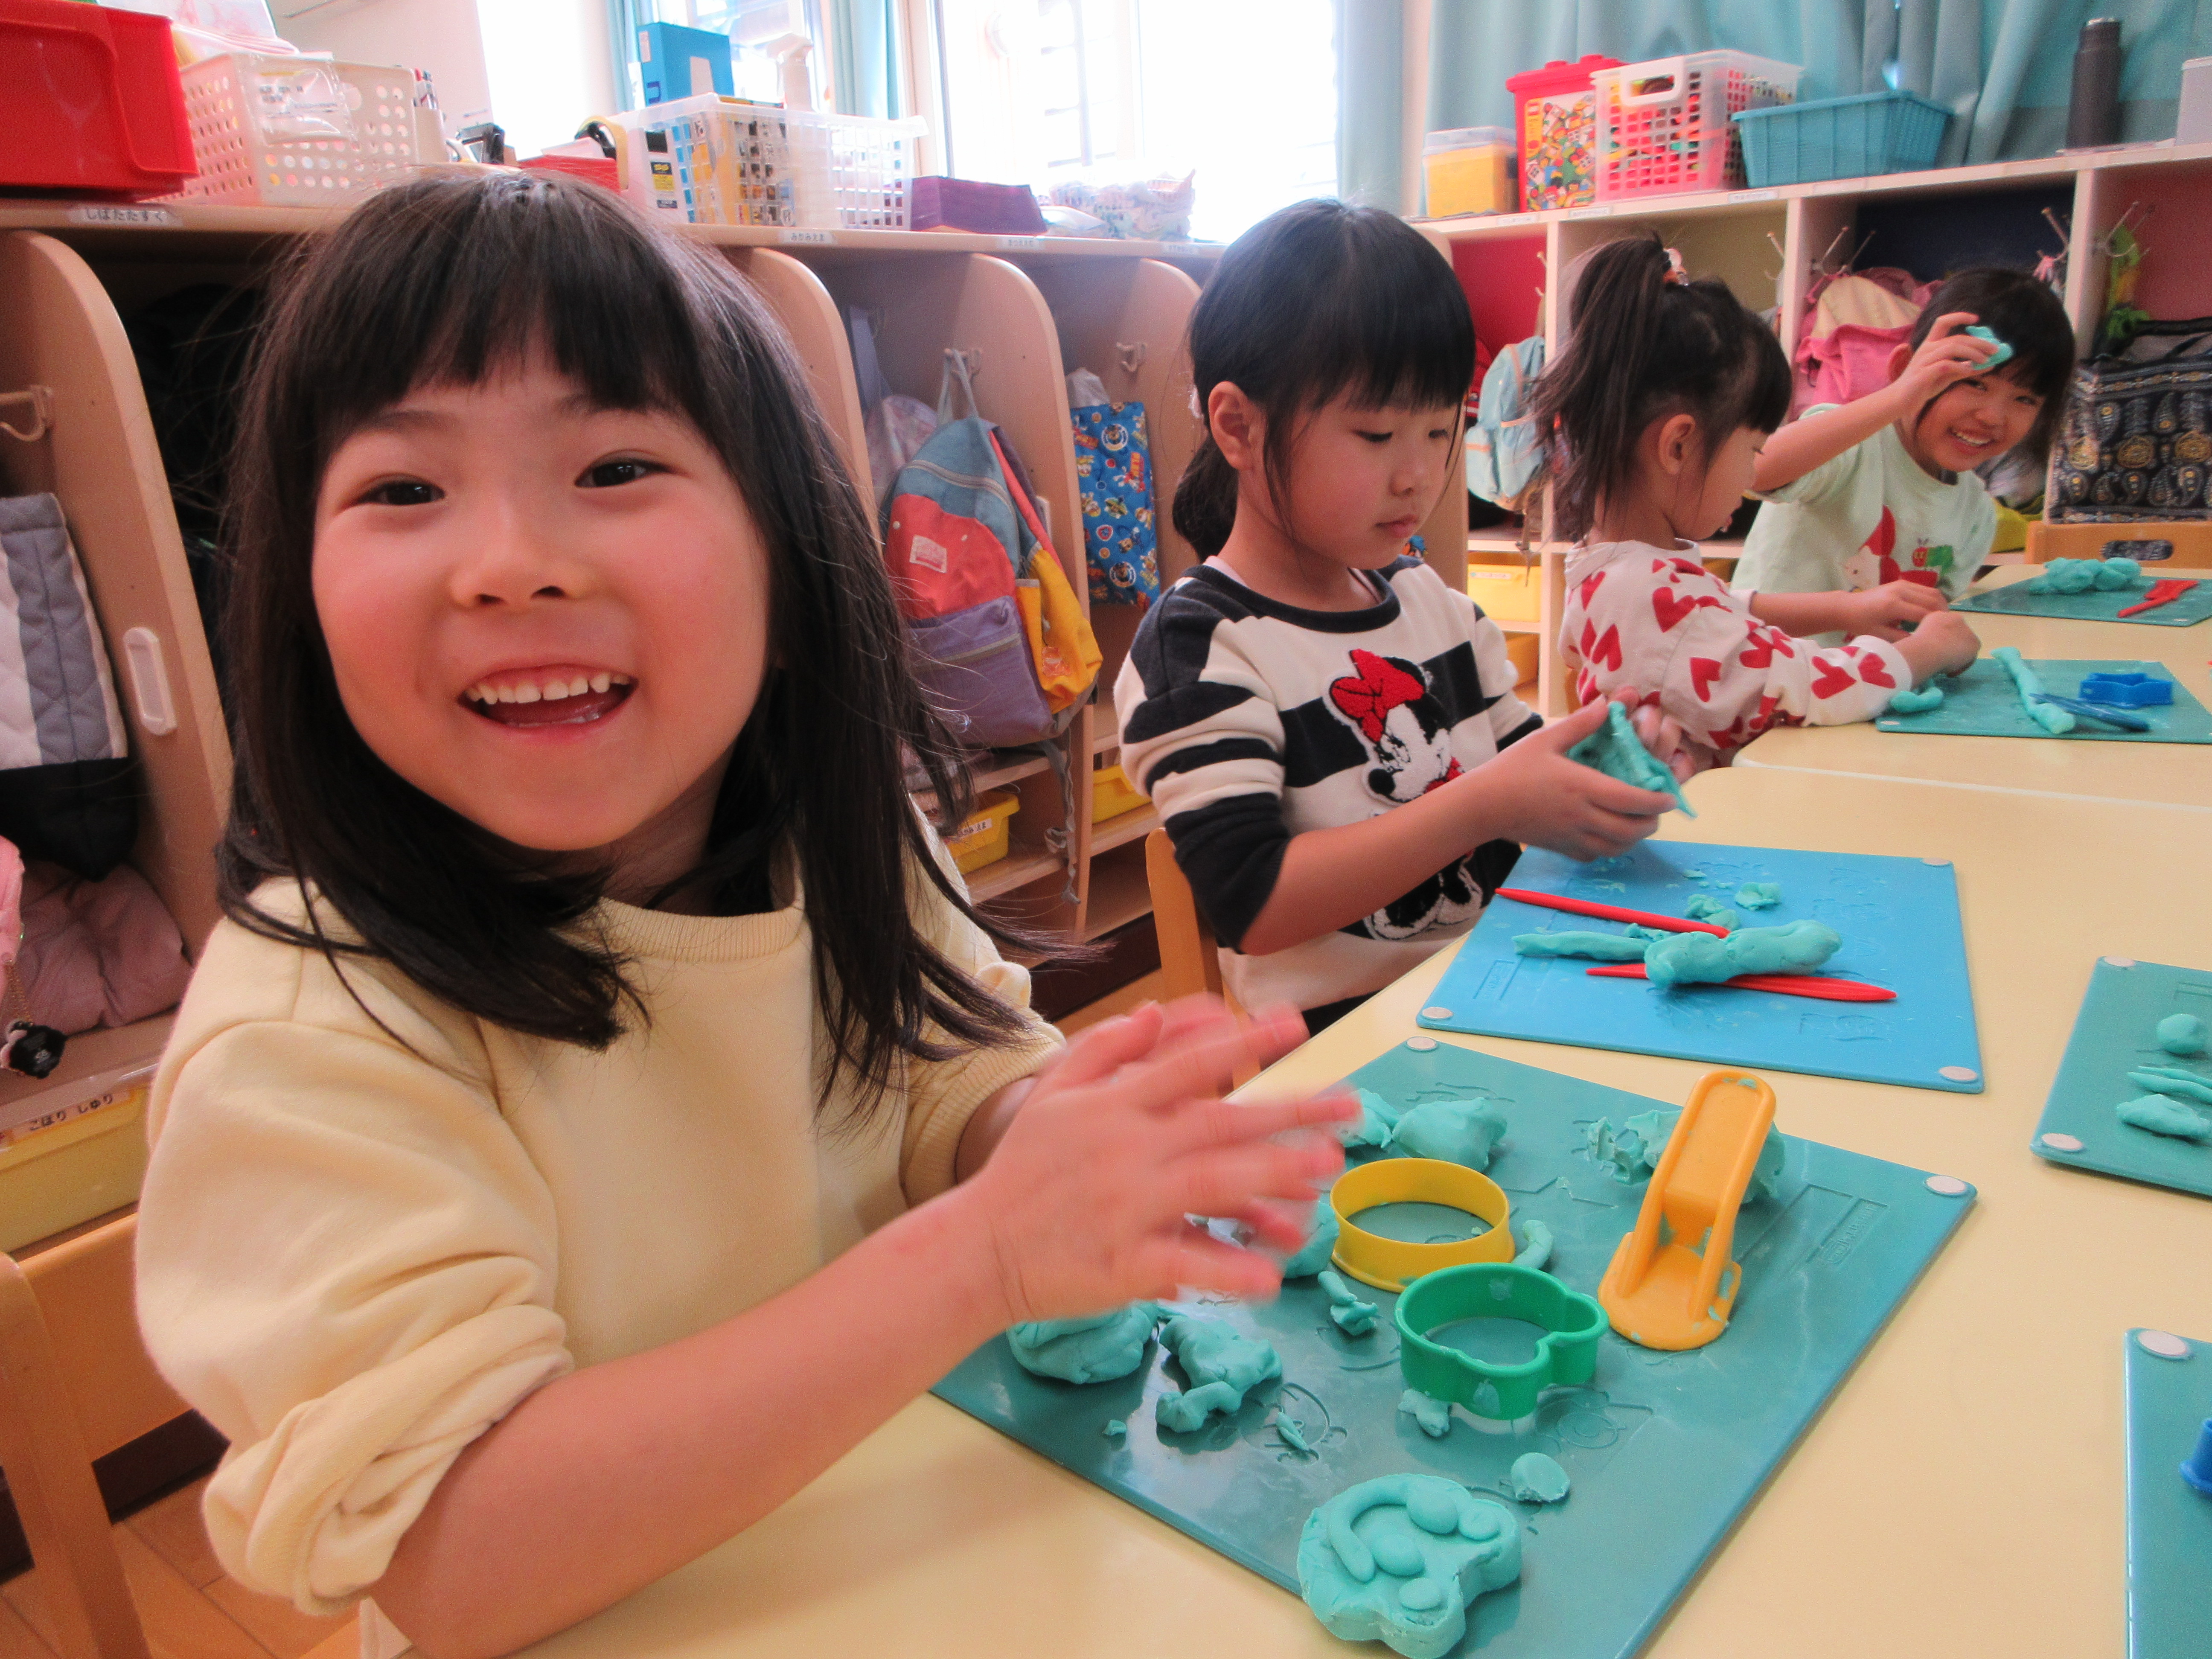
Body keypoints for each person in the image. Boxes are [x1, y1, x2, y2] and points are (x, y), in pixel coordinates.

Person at [131, 172, 1351, 1659]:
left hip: (903, 1562)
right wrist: (980, 1257)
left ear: (786, 554)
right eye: (402, 489)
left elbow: (946, 1069)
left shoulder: (841, 834)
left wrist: (1054, 1136)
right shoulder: (308, 1029)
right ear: (296, 595)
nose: (510, 564)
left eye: (612, 466)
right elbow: (454, 1551)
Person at [1115, 201, 1676, 1036]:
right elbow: (1253, 903)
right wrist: (1487, 805)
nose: (1418, 475)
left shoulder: (1431, 607)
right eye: (1376, 434)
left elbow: (1521, 773)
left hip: (1501, 991)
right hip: (1350, 1050)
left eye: (1441, 429)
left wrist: (1604, 762)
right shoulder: (1202, 643)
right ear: (1239, 427)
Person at [1538, 236, 1982, 771]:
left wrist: (1846, 609)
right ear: (1678, 446)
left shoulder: (1616, 568)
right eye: (1751, 450)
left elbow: (1720, 608)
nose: (1753, 475)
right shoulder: (1648, 596)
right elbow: (1809, 689)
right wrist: (1925, 652)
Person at [1732, 265, 2078, 623]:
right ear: (1904, 370)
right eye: (1975, 383)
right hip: (1764, 654)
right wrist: (1898, 397)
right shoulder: (1850, 444)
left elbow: (1920, 623)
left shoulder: (1976, 515)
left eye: (2025, 400)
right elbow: (1756, 469)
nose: (1993, 417)